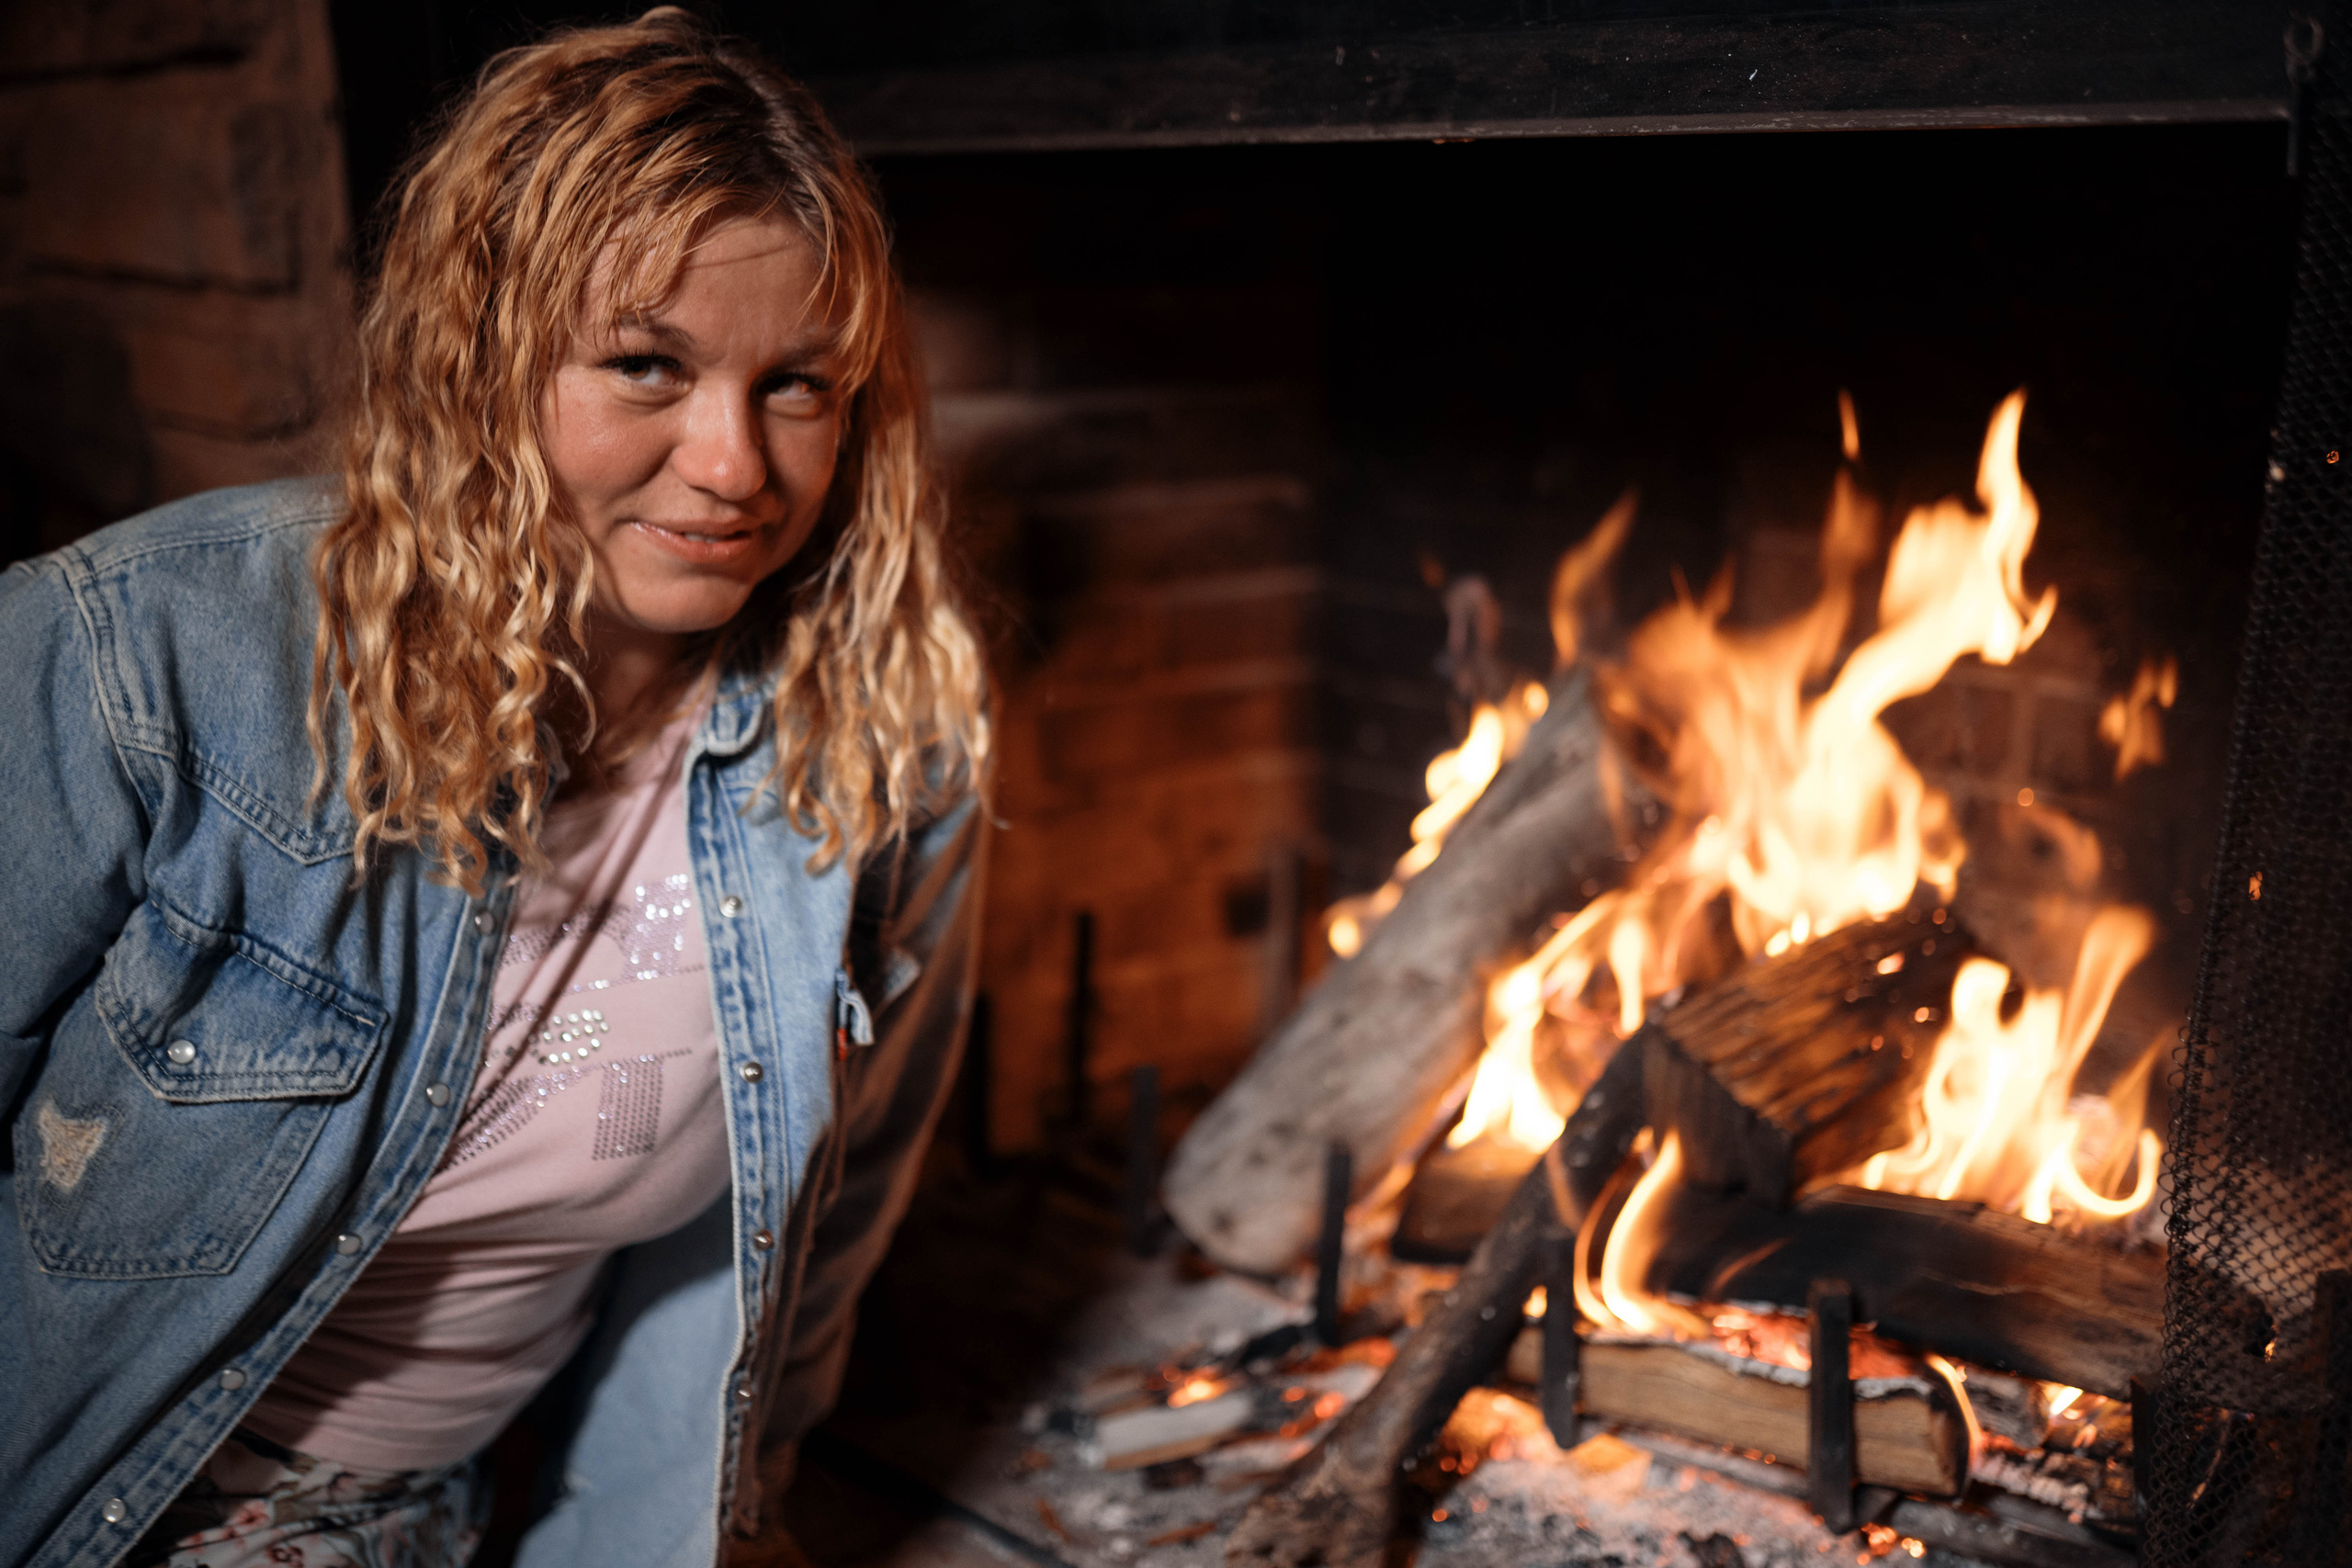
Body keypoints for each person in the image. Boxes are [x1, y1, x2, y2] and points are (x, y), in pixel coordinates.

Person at [0, 12, 989, 1567]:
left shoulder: (876, 742)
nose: (734, 464)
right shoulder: (145, 657)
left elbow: (828, 1232)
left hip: (455, 1522)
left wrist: (751, 1513)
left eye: (798, 384)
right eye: (647, 366)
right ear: (479, 356)